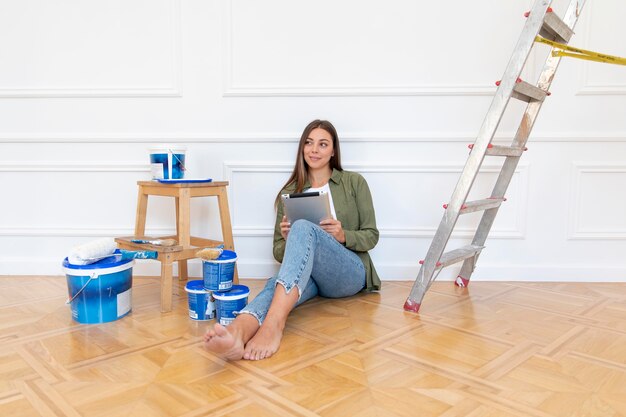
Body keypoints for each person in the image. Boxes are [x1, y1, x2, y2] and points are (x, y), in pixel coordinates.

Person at [203, 119, 380, 361]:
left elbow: (372, 235)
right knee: (277, 282)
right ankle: (237, 331)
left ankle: (273, 325)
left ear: (333, 150)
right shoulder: (291, 192)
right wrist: (290, 239)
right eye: (308, 143)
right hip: (314, 280)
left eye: (322, 144)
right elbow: (279, 252)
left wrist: (342, 234)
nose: (314, 150)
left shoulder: (354, 182)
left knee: (304, 228)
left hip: (349, 274)